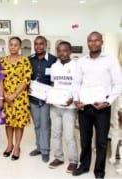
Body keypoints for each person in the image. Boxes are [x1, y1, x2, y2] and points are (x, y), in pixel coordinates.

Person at [72, 31, 122, 178]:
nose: (93, 43)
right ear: (87, 42)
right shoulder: (81, 61)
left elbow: (118, 84)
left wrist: (107, 102)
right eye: (90, 41)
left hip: (102, 108)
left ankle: (99, 171)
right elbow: (76, 83)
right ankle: (84, 166)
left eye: (96, 40)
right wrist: (76, 99)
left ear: (101, 42)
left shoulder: (111, 60)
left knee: (101, 142)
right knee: (85, 140)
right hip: (84, 107)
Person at [0, 36, 32, 161]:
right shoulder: (2, 60)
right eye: (11, 44)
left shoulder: (24, 60)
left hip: (20, 97)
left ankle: (17, 146)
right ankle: (9, 144)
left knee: (19, 123)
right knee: (8, 123)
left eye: (16, 45)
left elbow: (26, 79)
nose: (13, 47)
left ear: (20, 47)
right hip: (6, 95)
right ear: (8, 46)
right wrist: (5, 96)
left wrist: (14, 95)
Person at [48, 41, 78, 173]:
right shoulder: (54, 66)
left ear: (70, 51)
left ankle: (73, 160)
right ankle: (58, 157)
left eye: (65, 50)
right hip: (55, 106)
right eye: (59, 51)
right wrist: (50, 96)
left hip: (69, 107)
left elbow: (78, 85)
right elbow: (53, 84)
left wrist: (73, 98)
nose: (62, 53)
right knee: (55, 133)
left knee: (69, 135)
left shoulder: (76, 66)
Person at [29, 35, 57, 162]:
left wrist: (52, 94)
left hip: (47, 99)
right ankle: (39, 147)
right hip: (33, 98)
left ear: (46, 45)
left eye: (41, 44)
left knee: (45, 125)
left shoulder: (53, 60)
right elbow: (25, 77)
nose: (38, 46)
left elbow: (56, 80)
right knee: (37, 125)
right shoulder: (29, 59)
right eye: (36, 44)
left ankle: (45, 150)